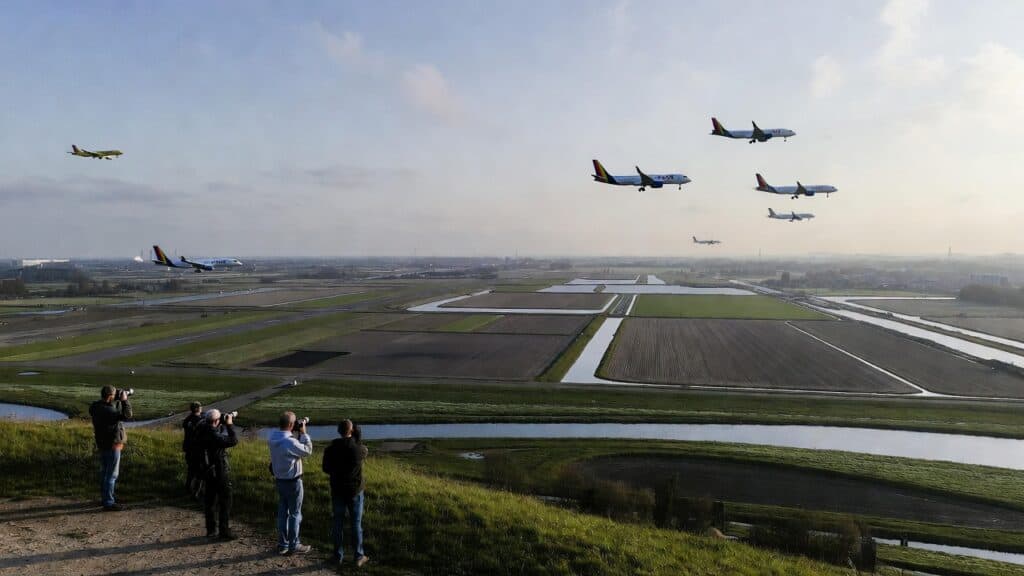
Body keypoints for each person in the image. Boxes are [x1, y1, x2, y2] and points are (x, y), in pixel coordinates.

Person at [322, 419, 369, 567]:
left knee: (338, 523)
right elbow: (364, 450)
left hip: (337, 490)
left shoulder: (330, 449)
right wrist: (358, 437)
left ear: (338, 431)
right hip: (354, 491)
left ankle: (337, 555)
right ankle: (358, 556)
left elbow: (325, 469)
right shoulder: (358, 449)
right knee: (356, 524)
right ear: (352, 431)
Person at [268, 411, 313, 555]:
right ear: (292, 425)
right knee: (295, 514)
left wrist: (295, 433)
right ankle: (295, 544)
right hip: (293, 482)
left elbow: (291, 447)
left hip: (280, 480)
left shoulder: (273, 437)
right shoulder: (290, 442)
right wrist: (304, 433)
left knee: (283, 513)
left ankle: (283, 544)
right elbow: (307, 451)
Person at [88, 385, 133, 511]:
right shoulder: (109, 411)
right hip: (113, 445)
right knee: (112, 475)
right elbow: (127, 415)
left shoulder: (96, 407)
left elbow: (109, 411)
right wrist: (125, 401)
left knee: (104, 473)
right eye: (114, 395)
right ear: (110, 396)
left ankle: (105, 498)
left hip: (102, 444)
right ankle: (109, 502)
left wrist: (117, 401)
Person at [199, 409, 237, 540]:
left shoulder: (202, 429)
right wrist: (230, 424)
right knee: (225, 501)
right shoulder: (215, 436)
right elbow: (233, 440)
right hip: (219, 471)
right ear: (216, 421)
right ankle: (224, 531)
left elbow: (210, 427)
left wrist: (219, 423)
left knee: (209, 501)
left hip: (207, 470)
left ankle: (211, 529)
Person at [182, 401, 203, 498]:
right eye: (200, 407)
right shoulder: (200, 421)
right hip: (197, 449)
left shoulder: (187, 420)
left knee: (191, 470)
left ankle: (187, 488)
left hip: (188, 447)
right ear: (198, 409)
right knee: (199, 471)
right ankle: (196, 493)